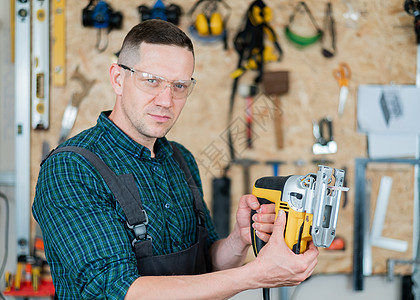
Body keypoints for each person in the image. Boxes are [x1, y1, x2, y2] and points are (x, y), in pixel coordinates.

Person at [32, 19, 319, 299]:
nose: (166, 101)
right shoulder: (71, 169)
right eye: (152, 81)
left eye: (179, 86)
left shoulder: (181, 159)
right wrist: (256, 274)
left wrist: (239, 240)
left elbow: (207, 266)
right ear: (118, 78)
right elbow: (118, 291)